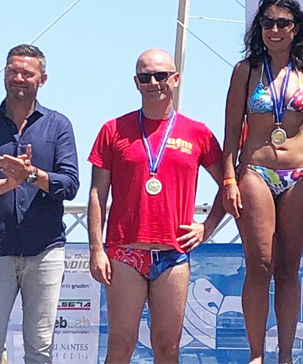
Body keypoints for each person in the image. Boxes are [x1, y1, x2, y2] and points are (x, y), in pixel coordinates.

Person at [88, 49, 226, 364]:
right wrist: (96, 249)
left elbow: (228, 184)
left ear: (175, 79)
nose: (154, 83)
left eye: (161, 75)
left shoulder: (198, 132)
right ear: (136, 82)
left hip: (173, 255)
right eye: (145, 77)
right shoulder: (113, 129)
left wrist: (207, 227)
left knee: (168, 349)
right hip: (125, 252)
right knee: (120, 346)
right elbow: (97, 193)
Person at [0, 44, 79, 364]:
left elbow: (70, 184)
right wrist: (8, 184)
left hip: (45, 250)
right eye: (13, 71)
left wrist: (32, 175)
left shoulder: (58, 125)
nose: (19, 78)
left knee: (40, 351)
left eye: (27, 73)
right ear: (4, 74)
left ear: (43, 79)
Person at [222, 0, 303, 364]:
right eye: (268, 23)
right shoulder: (246, 70)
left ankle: (285, 355)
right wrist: (229, 180)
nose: (275, 30)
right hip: (256, 170)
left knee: (288, 267)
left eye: (283, 23)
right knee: (260, 264)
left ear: (296, 28)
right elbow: (231, 130)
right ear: (259, 28)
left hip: (300, 173)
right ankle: (256, 355)